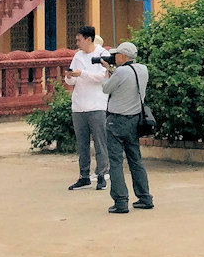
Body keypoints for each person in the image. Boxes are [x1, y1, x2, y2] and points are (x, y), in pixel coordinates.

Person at [101, 41, 153, 214]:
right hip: (134, 120)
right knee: (135, 160)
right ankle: (145, 197)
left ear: (123, 56)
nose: (114, 57)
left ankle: (121, 201)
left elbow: (106, 89)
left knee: (115, 162)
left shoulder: (121, 71)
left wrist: (108, 72)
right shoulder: (143, 69)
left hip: (116, 120)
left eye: (117, 55)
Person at [65, 26, 109, 192]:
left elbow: (101, 77)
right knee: (82, 143)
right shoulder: (77, 56)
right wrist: (70, 77)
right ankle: (84, 176)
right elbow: (72, 80)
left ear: (89, 39)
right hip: (79, 106)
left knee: (99, 142)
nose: (77, 43)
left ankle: (102, 175)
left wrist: (81, 74)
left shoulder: (102, 54)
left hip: (96, 104)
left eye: (79, 40)